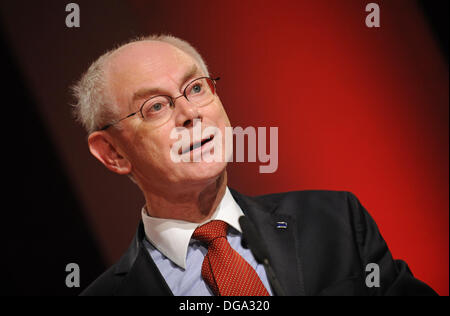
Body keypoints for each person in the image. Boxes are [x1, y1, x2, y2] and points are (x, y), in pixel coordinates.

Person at [71, 34, 437, 296]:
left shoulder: (335, 220)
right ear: (113, 153)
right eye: (156, 106)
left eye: (196, 88)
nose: (190, 113)